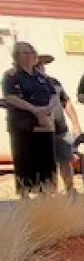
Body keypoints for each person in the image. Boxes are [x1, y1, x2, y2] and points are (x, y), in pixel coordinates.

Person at [3, 41, 58, 195]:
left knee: (46, 164)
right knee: (25, 162)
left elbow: (54, 96)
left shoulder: (42, 77)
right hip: (23, 125)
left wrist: (46, 110)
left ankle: (46, 196)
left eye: (31, 52)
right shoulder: (11, 75)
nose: (29, 56)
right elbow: (11, 98)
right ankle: (25, 198)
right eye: (24, 53)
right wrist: (35, 110)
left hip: (44, 125)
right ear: (17, 56)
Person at [37, 54, 82, 194]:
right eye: (38, 65)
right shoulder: (29, 84)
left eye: (42, 65)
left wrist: (75, 123)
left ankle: (70, 189)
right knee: (47, 164)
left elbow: (66, 102)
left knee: (66, 160)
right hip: (42, 131)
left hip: (61, 130)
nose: (42, 68)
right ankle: (51, 194)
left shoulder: (54, 82)